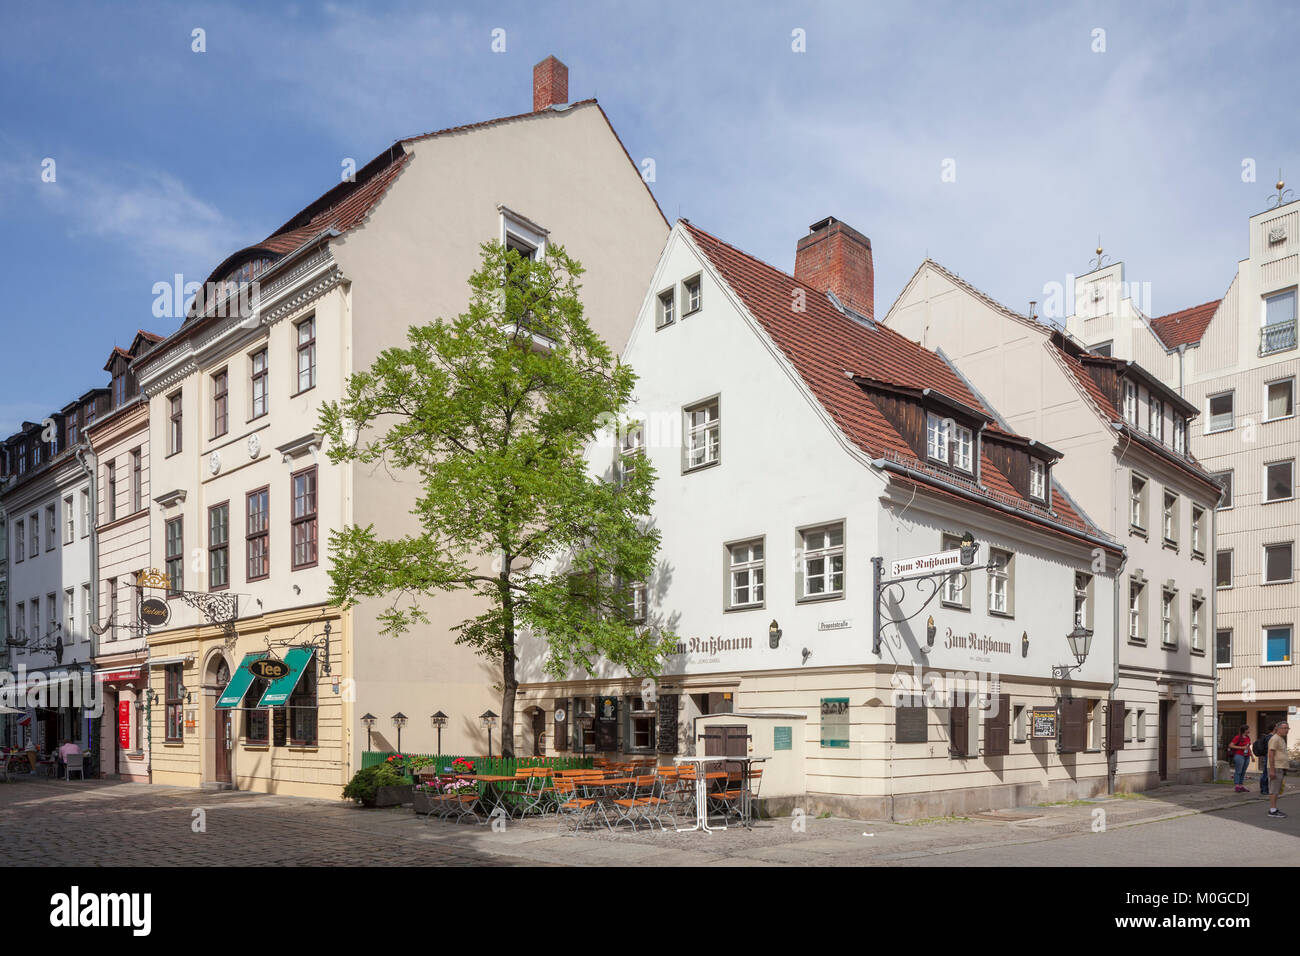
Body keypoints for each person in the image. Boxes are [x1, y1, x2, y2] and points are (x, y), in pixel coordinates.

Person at [1267, 721, 1289, 820]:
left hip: (1280, 767)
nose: (1286, 730)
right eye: (1284, 728)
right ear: (1278, 729)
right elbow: (1271, 754)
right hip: (1275, 767)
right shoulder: (1275, 738)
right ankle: (1272, 810)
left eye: (1287, 728)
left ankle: (1274, 809)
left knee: (1277, 790)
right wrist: (1272, 770)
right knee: (1274, 789)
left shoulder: (1281, 739)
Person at [1228, 724, 1252, 792]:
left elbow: (1248, 747)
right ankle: (1237, 786)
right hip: (1239, 756)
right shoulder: (1238, 737)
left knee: (1243, 771)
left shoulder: (1248, 737)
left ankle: (1241, 785)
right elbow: (1230, 745)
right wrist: (1241, 747)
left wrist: (1252, 756)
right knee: (1238, 771)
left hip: (1247, 756)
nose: (1249, 730)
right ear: (1245, 730)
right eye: (1248, 729)